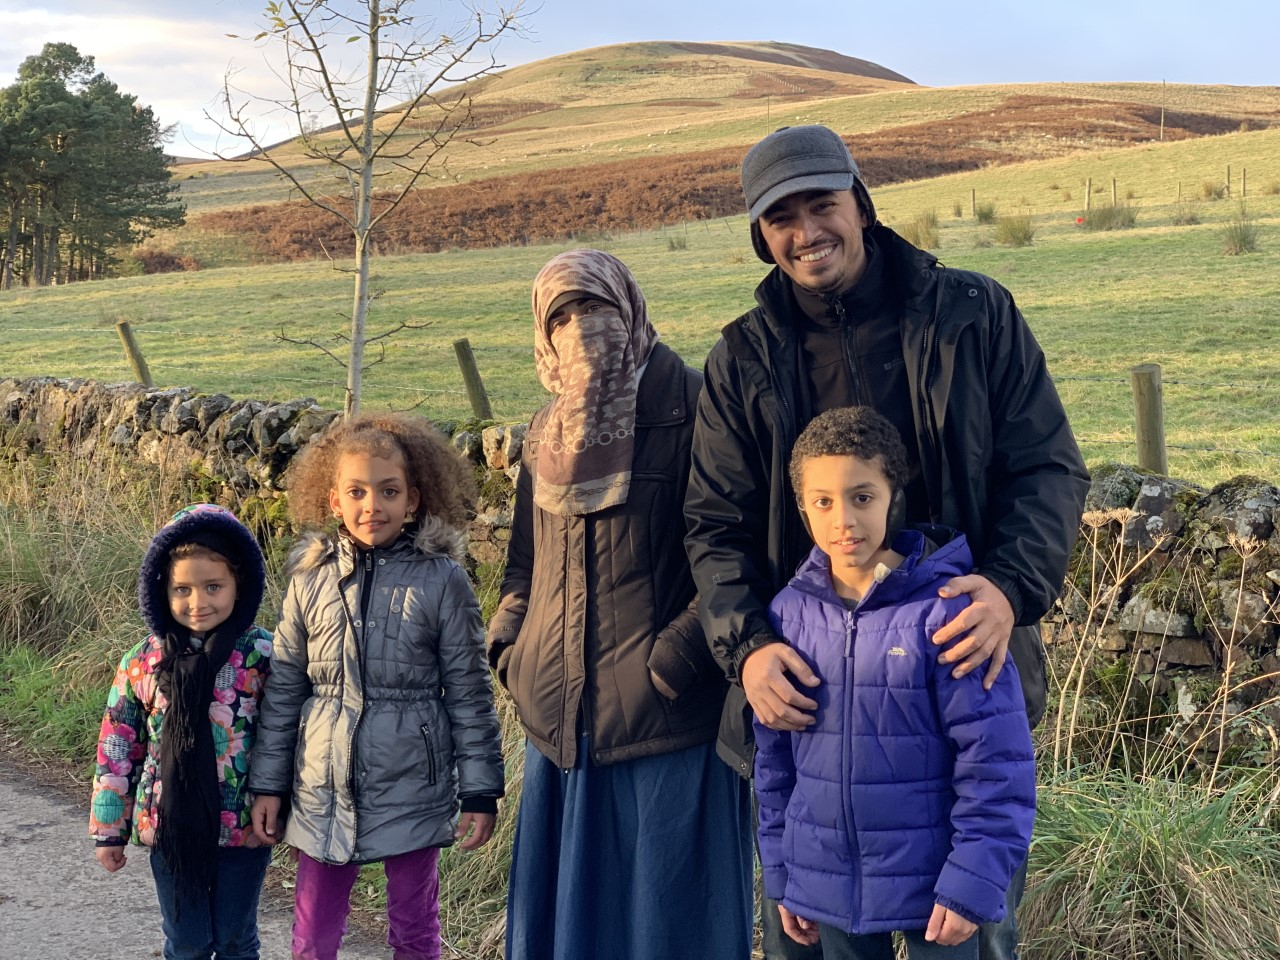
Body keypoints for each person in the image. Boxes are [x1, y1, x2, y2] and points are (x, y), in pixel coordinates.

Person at [684, 124, 1090, 959]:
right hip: (811, 717)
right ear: (760, 235)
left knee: (966, 937)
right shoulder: (741, 358)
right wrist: (749, 650)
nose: (807, 232)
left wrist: (1009, 589)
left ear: (861, 204)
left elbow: (1046, 469)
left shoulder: (972, 314)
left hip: (959, 684)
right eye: (781, 217)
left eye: (822, 205)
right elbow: (715, 524)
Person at [488, 249, 754, 960]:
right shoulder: (545, 431)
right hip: (559, 726)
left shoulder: (697, 409)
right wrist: (510, 651)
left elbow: (738, 552)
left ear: (629, 308)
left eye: (595, 307)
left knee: (667, 928)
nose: (581, 328)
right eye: (562, 315)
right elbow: (524, 563)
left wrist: (672, 661)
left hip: (666, 722)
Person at [754, 406, 1036, 959]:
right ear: (802, 507)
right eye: (823, 502)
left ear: (893, 497)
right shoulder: (789, 616)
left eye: (862, 497)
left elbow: (996, 761)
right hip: (828, 886)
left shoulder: (949, 613)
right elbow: (775, 764)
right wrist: (786, 874)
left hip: (940, 888)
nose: (844, 521)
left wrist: (974, 879)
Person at [248, 412, 504, 960]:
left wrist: (480, 790)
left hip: (414, 785)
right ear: (334, 500)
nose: (373, 506)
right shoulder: (309, 579)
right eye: (357, 492)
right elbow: (285, 689)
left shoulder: (443, 579)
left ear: (413, 499)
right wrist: (268, 784)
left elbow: (469, 691)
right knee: (312, 937)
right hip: (321, 785)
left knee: (414, 930)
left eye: (389, 491)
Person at [89, 503, 274, 960]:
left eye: (213, 586)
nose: (198, 602)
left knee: (235, 939)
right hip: (170, 827)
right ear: (162, 590)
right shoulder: (143, 661)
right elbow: (118, 747)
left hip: (242, 828)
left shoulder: (261, 655)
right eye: (182, 589)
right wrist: (110, 830)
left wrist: (284, 800)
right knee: (187, 942)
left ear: (240, 585)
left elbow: (284, 735)